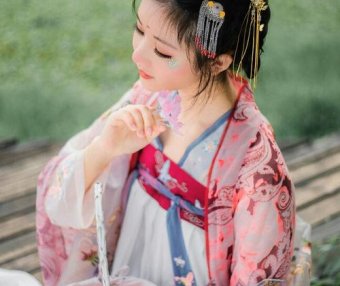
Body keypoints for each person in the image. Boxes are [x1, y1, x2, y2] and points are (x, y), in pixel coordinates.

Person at [36, 0, 311, 285]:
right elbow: (58, 185)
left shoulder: (257, 166)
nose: (137, 56)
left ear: (218, 61)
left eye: (162, 51)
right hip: (129, 263)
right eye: (139, 30)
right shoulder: (147, 97)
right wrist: (106, 148)